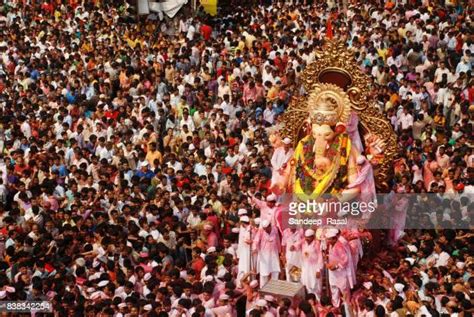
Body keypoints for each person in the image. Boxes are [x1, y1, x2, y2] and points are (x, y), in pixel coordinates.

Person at [252, 219, 281, 287]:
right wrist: (255, 248)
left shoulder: (275, 229)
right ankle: (263, 288)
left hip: (274, 253)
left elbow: (277, 240)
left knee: (275, 270)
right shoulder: (261, 231)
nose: (265, 230)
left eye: (266, 228)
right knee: (264, 273)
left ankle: (274, 288)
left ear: (270, 226)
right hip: (264, 255)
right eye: (264, 229)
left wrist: (280, 251)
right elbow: (256, 241)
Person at [300, 229, 323, 300]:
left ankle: (318, 301)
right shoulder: (304, 243)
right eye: (306, 237)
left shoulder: (317, 244)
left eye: (309, 237)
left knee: (316, 285)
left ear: (313, 237)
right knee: (307, 284)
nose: (307, 239)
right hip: (306, 267)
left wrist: (318, 270)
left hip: (315, 268)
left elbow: (320, 257)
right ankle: (311, 302)